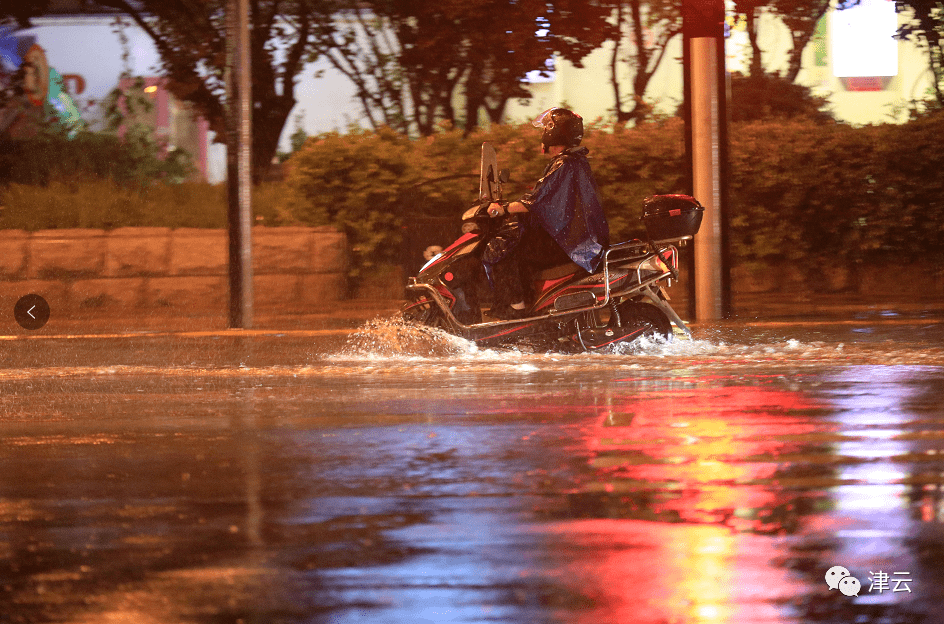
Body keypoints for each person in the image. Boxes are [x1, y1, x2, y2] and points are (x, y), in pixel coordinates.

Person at [483, 107, 609, 319]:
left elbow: (536, 202)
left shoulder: (565, 163)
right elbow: (549, 200)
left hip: (569, 244)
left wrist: (503, 208)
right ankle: (530, 303)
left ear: (553, 132)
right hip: (578, 240)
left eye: (545, 129)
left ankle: (516, 309)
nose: (541, 135)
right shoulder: (573, 161)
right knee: (517, 241)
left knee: (500, 248)